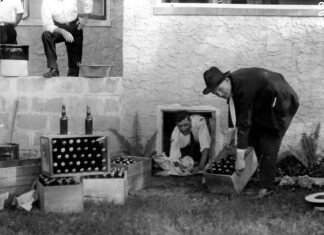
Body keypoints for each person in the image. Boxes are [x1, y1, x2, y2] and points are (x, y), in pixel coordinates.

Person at [202, 66, 299, 198]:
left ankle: (266, 186)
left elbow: (244, 122)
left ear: (225, 80)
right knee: (252, 139)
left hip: (281, 100)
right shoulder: (232, 85)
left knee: (268, 142)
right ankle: (255, 174)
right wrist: (230, 134)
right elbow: (233, 108)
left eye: (219, 89)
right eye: (215, 93)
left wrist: (240, 158)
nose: (219, 94)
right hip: (264, 99)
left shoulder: (244, 87)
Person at [41, 0, 93, 78]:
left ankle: (72, 79)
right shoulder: (46, 2)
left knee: (74, 67)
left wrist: (86, 17)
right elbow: (47, 24)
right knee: (46, 35)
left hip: (75, 26)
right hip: (58, 28)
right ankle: (54, 69)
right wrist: (62, 31)